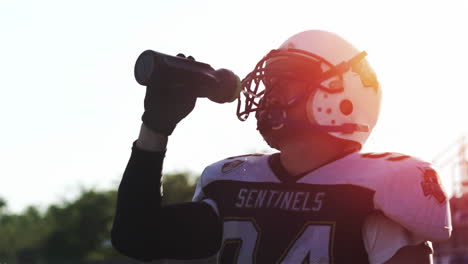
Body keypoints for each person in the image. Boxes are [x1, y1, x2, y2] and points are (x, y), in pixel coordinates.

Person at [111, 30, 452, 263]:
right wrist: (155, 128)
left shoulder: (375, 193)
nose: (268, 92)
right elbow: (135, 236)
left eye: (285, 81)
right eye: (269, 80)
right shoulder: (233, 184)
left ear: (342, 98)